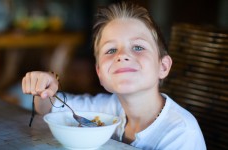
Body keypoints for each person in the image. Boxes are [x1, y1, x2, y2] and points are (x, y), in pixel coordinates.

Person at [22, 1, 206, 149]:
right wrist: (44, 87)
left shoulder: (181, 134)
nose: (122, 55)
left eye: (138, 47)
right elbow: (47, 108)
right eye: (111, 50)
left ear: (163, 66)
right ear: (100, 74)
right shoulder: (106, 108)